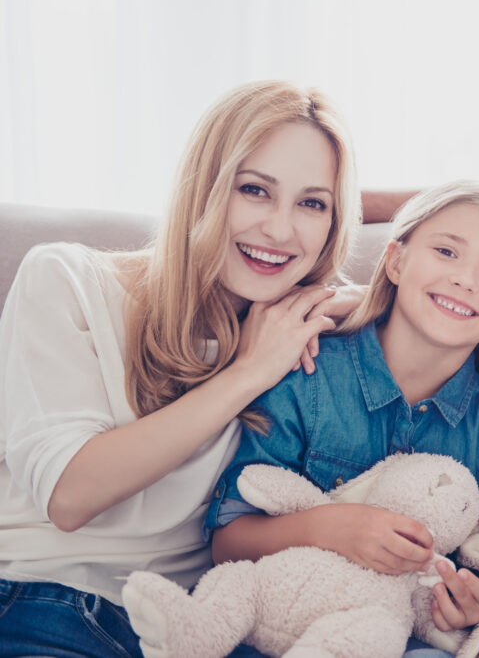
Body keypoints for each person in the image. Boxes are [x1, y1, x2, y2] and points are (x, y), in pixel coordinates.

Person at [0, 80, 368, 656]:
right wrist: (247, 371)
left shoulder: (300, 323)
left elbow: (437, 272)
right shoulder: (67, 279)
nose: (278, 229)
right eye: (254, 190)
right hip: (46, 598)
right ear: (205, 189)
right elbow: (69, 495)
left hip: (190, 624)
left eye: (311, 203)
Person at [204, 180, 479, 656]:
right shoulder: (307, 372)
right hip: (277, 622)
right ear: (396, 261)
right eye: (447, 252)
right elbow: (227, 542)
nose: (465, 279)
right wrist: (328, 528)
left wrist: (470, 604)